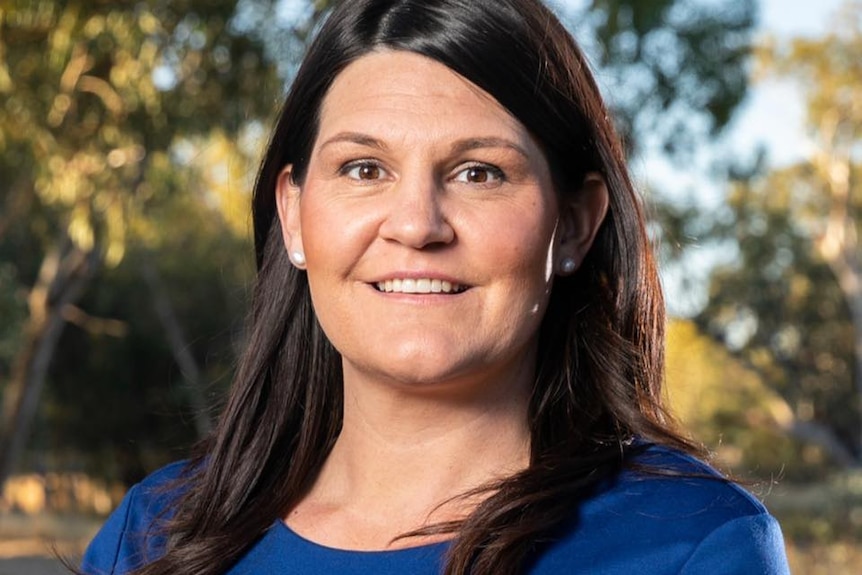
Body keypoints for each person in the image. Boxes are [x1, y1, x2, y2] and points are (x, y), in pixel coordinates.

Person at [80, 0, 791, 573]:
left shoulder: (695, 548)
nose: (417, 225)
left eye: (480, 172)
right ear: (293, 215)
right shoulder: (155, 535)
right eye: (364, 169)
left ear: (573, 224)